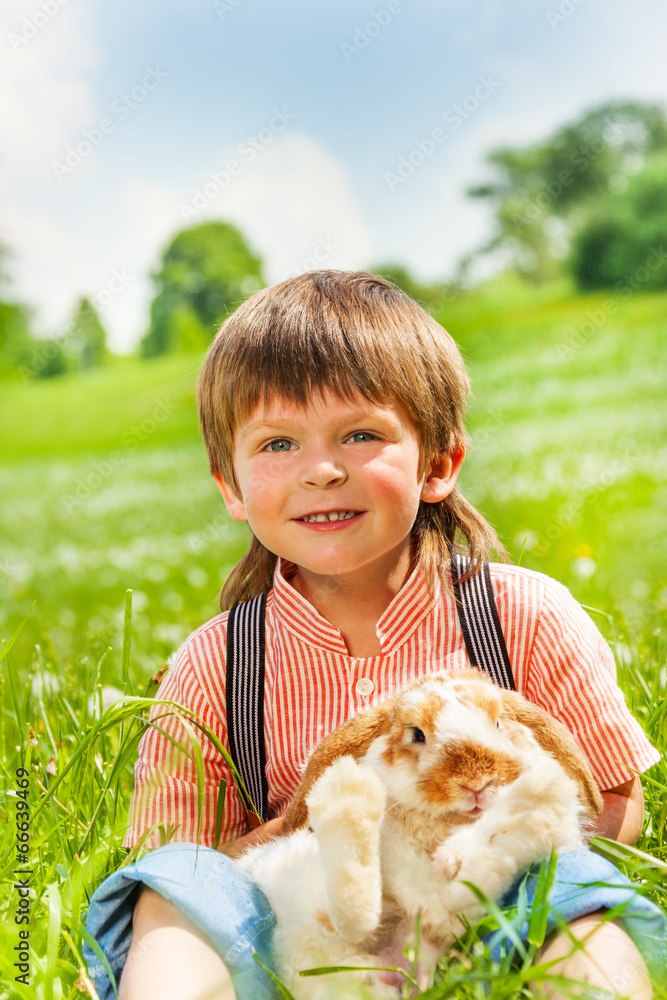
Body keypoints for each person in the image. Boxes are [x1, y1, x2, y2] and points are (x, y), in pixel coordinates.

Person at [84, 271, 665, 1000]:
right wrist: (302, 846)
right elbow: (172, 849)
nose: (321, 470)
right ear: (228, 485)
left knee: (578, 890)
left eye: (360, 435)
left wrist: (486, 862)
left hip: (486, 907)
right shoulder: (218, 662)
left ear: (437, 463)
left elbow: (611, 799)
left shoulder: (523, 616)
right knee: (172, 891)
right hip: (308, 933)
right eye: (276, 444)